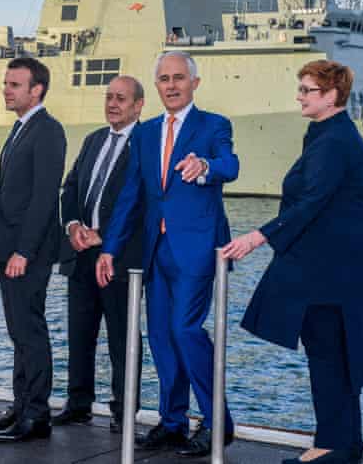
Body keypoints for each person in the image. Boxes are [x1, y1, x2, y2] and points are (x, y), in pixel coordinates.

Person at [222, 60, 363, 464]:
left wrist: (256, 237)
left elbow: (312, 201)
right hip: (334, 262)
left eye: (308, 90)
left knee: (328, 352)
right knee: (336, 349)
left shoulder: (334, 141)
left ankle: (333, 446)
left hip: (331, 267)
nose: (300, 96)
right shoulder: (328, 134)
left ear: (332, 95)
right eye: (301, 88)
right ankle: (343, 444)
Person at [97, 51, 238, 457]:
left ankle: (217, 422)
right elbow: (131, 196)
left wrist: (205, 166)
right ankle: (173, 422)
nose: (171, 85)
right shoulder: (145, 133)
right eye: (164, 79)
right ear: (156, 85)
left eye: (179, 77)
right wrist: (110, 249)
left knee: (185, 330)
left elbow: (230, 164)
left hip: (197, 249)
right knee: (160, 336)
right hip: (156, 252)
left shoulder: (214, 125)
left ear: (195, 83)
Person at [0, 57, 67, 443]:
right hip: (10, 251)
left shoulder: (48, 131)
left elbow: (43, 199)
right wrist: (1, 251)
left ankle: (36, 415)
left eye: (15, 85)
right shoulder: (21, 129)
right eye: (6, 84)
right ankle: (21, 406)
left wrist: (23, 253)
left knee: (30, 331)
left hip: (28, 254)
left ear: (37, 90)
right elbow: (10, 195)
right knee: (18, 332)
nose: (6, 90)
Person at [54, 76, 145, 434]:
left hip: (119, 258)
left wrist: (104, 235)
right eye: (109, 97)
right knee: (80, 334)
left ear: (138, 105)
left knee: (123, 339)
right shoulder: (93, 140)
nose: (112, 104)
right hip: (80, 256)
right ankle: (78, 404)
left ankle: (124, 412)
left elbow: (145, 204)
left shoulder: (147, 144)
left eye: (121, 98)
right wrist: (73, 226)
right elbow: (70, 188)